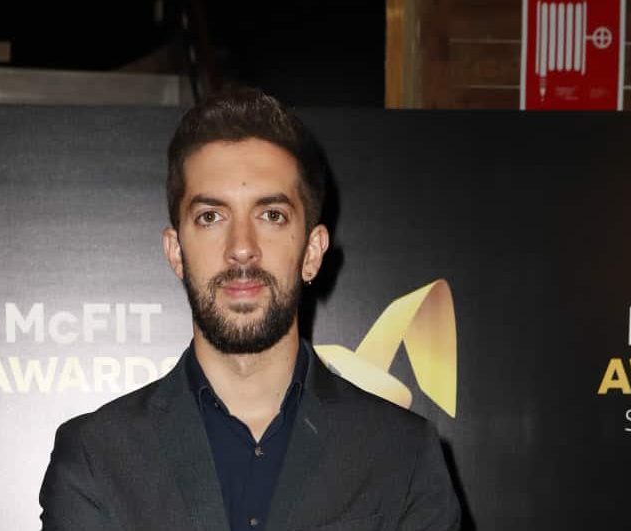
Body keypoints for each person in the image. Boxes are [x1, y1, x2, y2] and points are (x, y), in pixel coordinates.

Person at [40, 87, 461, 531]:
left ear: (313, 251)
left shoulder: (402, 455)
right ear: (176, 251)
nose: (242, 248)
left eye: (271, 215)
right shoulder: (96, 457)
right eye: (211, 217)